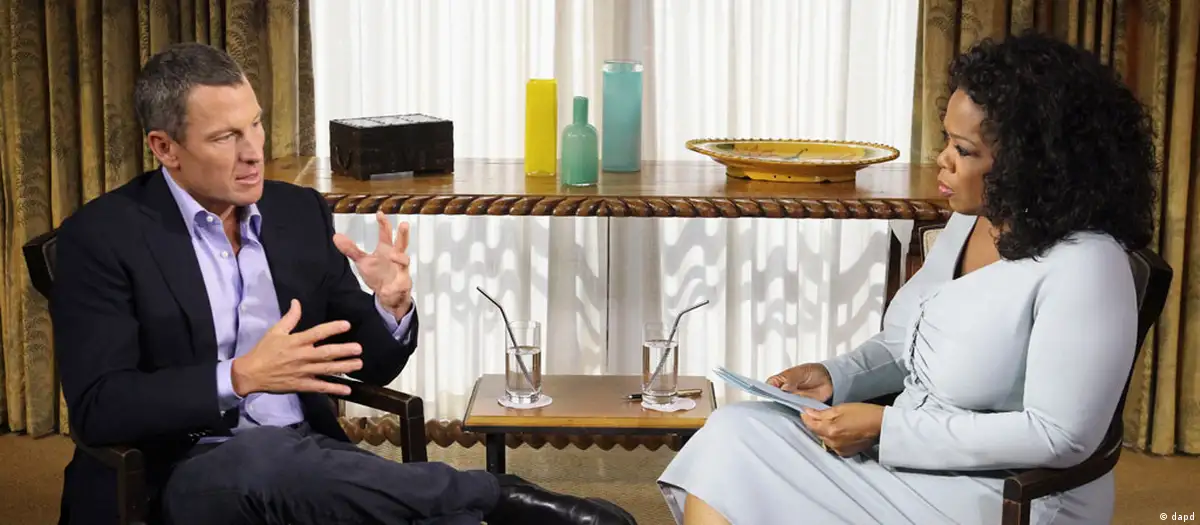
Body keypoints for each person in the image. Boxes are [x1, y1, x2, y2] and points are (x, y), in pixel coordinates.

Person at [50, 42, 636, 525]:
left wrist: (388, 307)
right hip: (180, 470)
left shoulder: (295, 213)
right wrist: (240, 377)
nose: (254, 153)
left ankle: (477, 504)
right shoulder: (102, 237)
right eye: (225, 137)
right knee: (262, 455)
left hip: (312, 457)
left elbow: (368, 364)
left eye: (255, 125)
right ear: (164, 148)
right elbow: (100, 407)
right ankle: (496, 493)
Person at [656, 31, 1157, 525]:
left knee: (739, 457)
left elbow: (1060, 436)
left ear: (1033, 163)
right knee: (734, 431)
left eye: (964, 149)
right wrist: (837, 376)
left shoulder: (1088, 265)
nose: (943, 158)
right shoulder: (971, 223)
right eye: (947, 139)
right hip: (913, 461)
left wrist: (887, 428)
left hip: (998, 492)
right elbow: (908, 342)